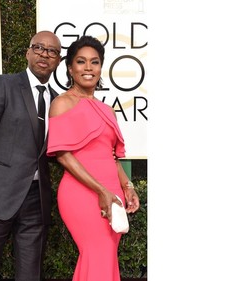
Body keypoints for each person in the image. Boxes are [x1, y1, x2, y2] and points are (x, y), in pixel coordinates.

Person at [0, 30, 62, 281]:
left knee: (30, 275)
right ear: (28, 52)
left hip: (36, 201)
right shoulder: (2, 85)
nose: (44, 54)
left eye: (52, 51)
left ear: (58, 61)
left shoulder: (58, 101)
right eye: (39, 47)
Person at [46, 35, 140, 281]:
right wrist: (101, 190)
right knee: (97, 251)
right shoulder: (62, 103)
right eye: (81, 61)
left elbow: (113, 157)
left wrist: (127, 186)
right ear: (70, 68)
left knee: (104, 256)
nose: (88, 67)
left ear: (100, 67)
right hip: (82, 193)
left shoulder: (107, 109)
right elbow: (63, 156)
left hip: (111, 192)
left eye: (94, 62)